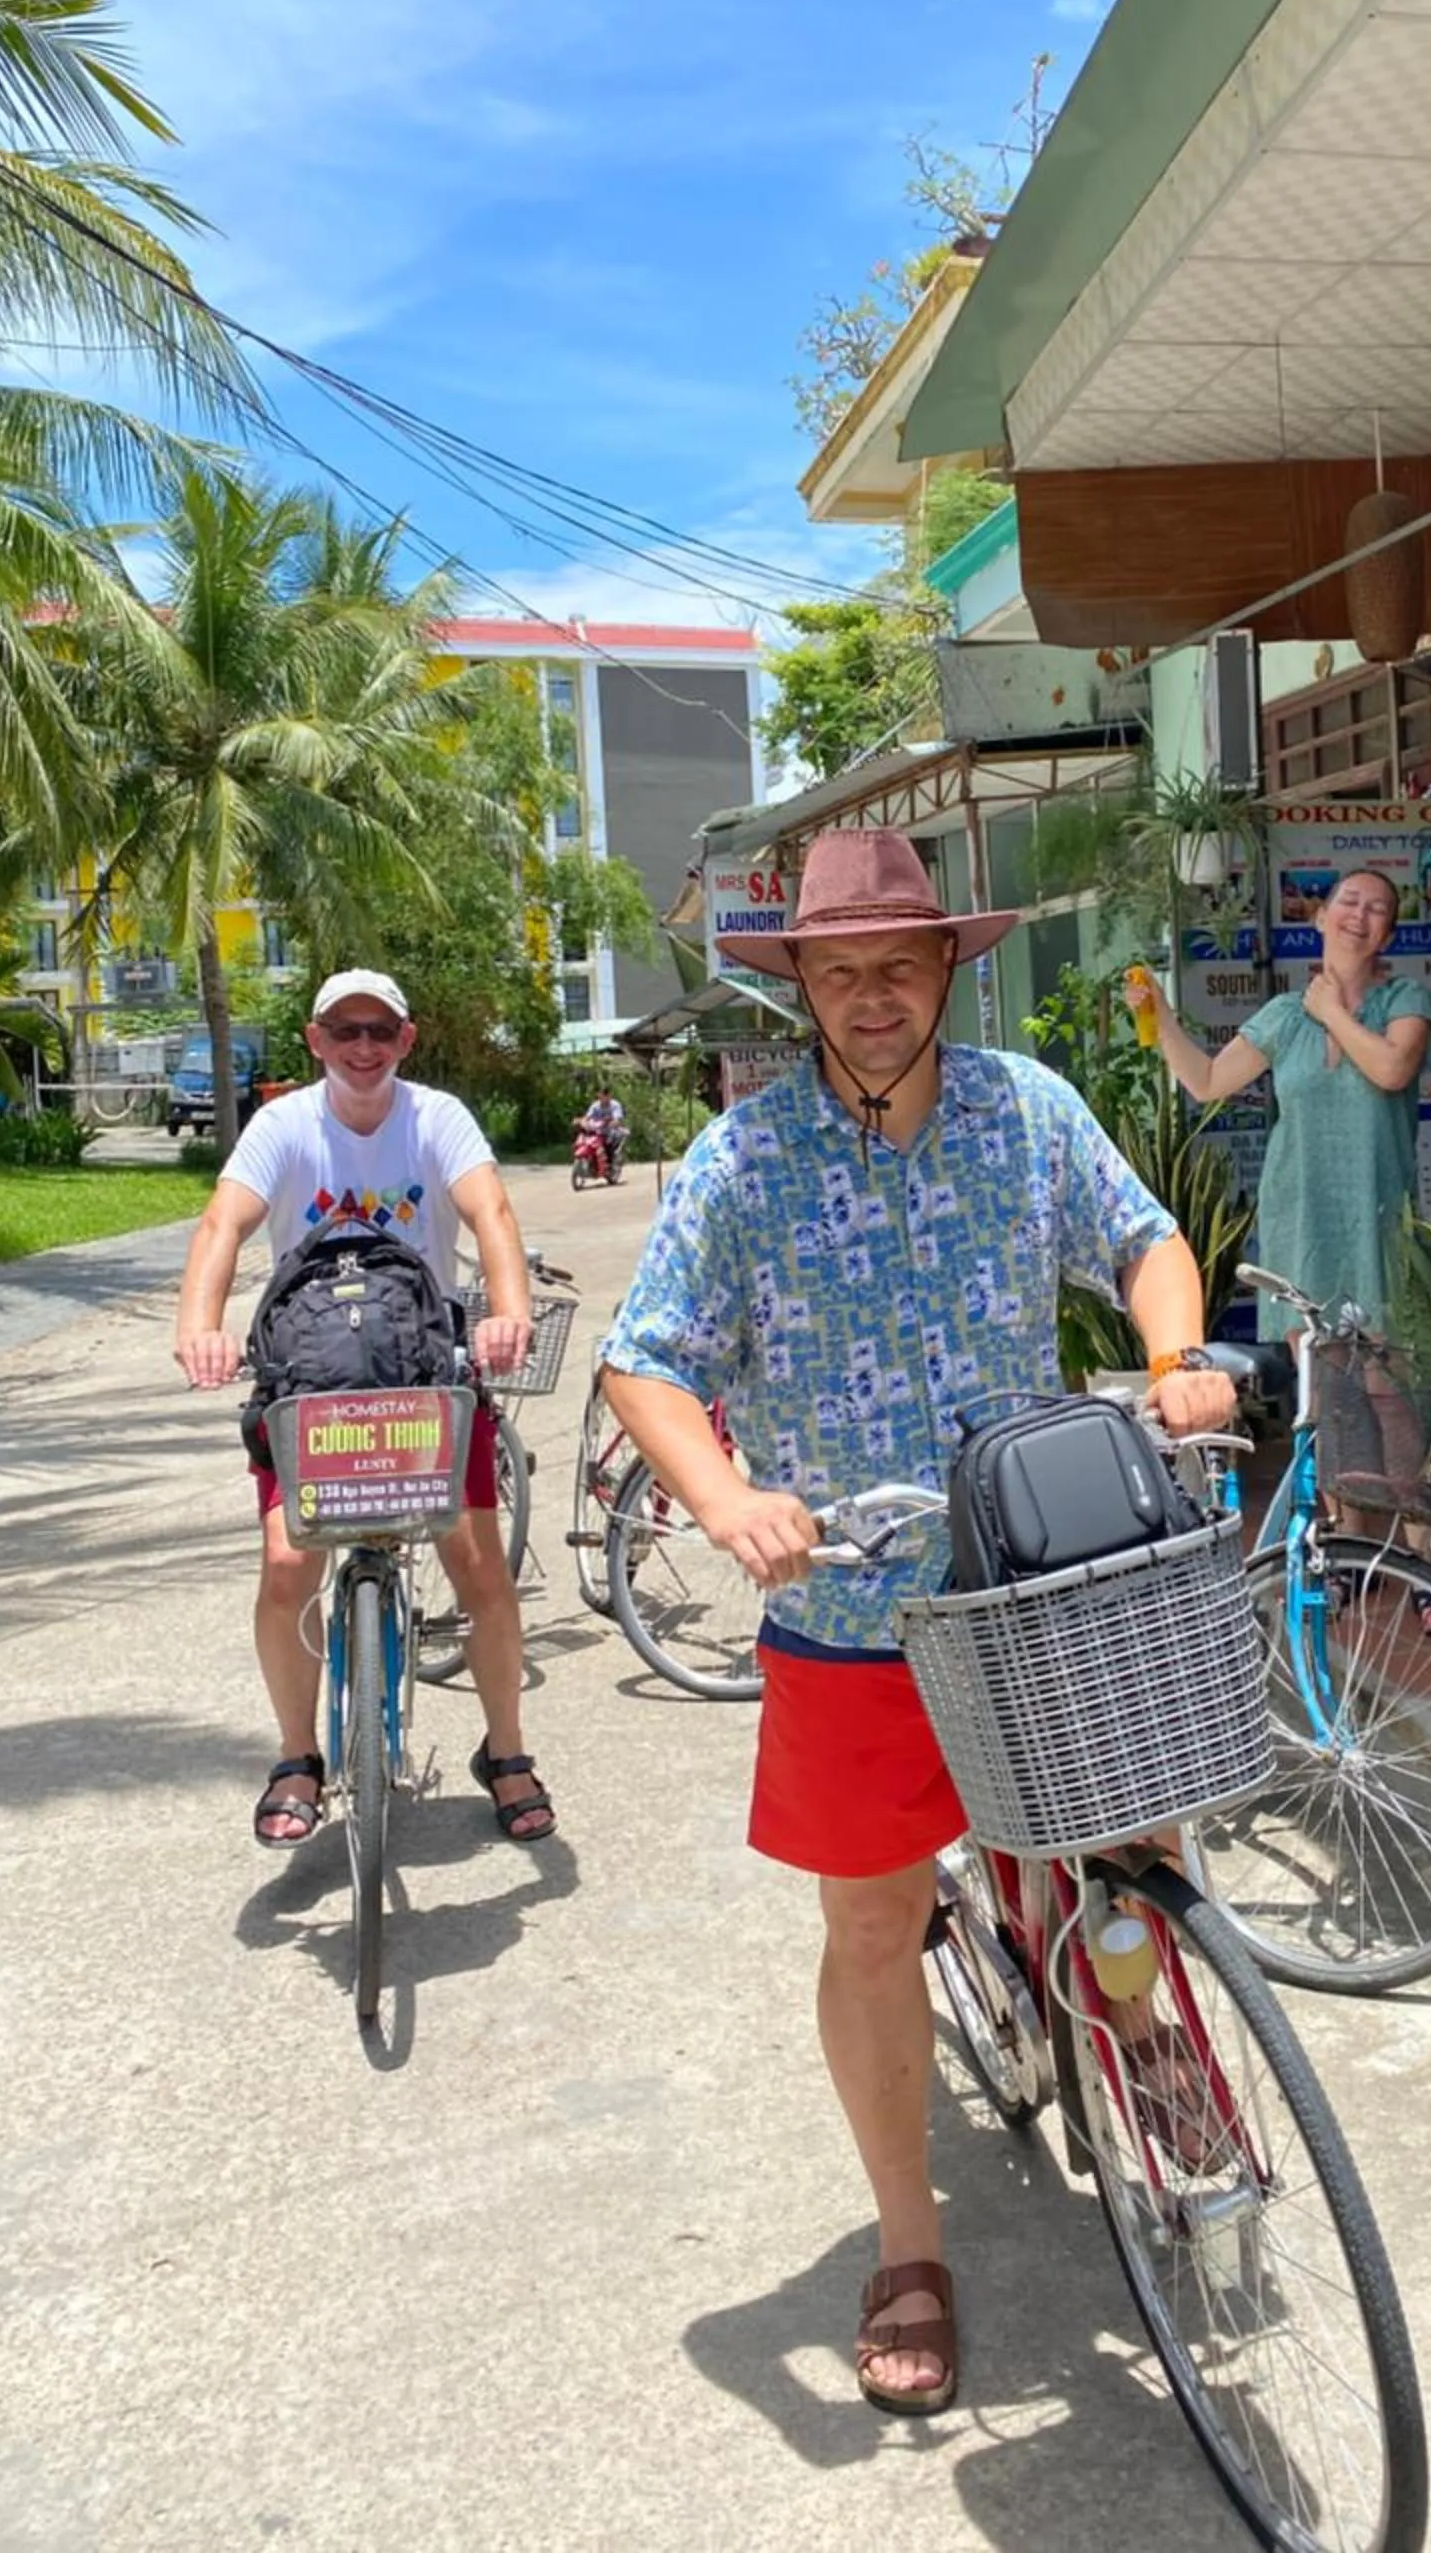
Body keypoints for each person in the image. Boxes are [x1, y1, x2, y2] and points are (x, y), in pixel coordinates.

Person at [597, 831, 1235, 2419]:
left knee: (1131, 1850)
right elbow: (644, 1361)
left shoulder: (1029, 1111)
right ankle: (907, 2241)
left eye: (897, 965)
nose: (870, 997)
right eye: (837, 971)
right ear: (797, 984)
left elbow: (1147, 1240)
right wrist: (726, 1495)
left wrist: (1171, 1361)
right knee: (871, 1924)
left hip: (1035, 1575)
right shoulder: (741, 1167)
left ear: (949, 965)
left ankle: (1145, 2032)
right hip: (851, 1602)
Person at [172, 970, 555, 1848]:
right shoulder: (282, 1126)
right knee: (284, 1567)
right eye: (345, 1030)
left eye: (380, 1030)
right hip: (311, 1384)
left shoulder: (437, 1118)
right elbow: (222, 1227)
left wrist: (508, 1311)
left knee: (481, 1570)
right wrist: (201, 1326)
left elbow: (488, 1208)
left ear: (405, 1040)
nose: (363, 1047)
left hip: (424, 1375)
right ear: (316, 1040)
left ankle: (507, 1751)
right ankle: (298, 1755)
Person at [1128, 864, 1431, 1509]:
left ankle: (1421, 1559)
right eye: (1348, 901)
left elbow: (1390, 1068)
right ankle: (1346, 1546)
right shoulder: (1283, 1016)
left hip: (1377, 1219)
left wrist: (1330, 1010)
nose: (1359, 914)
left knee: (1389, 1395)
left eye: (1377, 908)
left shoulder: (1403, 1001)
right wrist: (1161, 1016)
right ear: (1320, 918)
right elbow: (1209, 1081)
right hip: (1304, 1226)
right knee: (1330, 1401)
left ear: (1387, 932)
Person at [577, 1082, 627, 1178]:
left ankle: (610, 1166)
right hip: (597, 1132)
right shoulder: (595, 1105)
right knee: (587, 1140)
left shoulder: (615, 1105)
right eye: (600, 1096)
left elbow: (618, 1118)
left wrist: (614, 1122)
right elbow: (587, 1117)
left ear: (609, 1096)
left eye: (604, 1096)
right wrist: (583, 1123)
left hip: (610, 1131)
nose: (601, 1099)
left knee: (609, 1144)